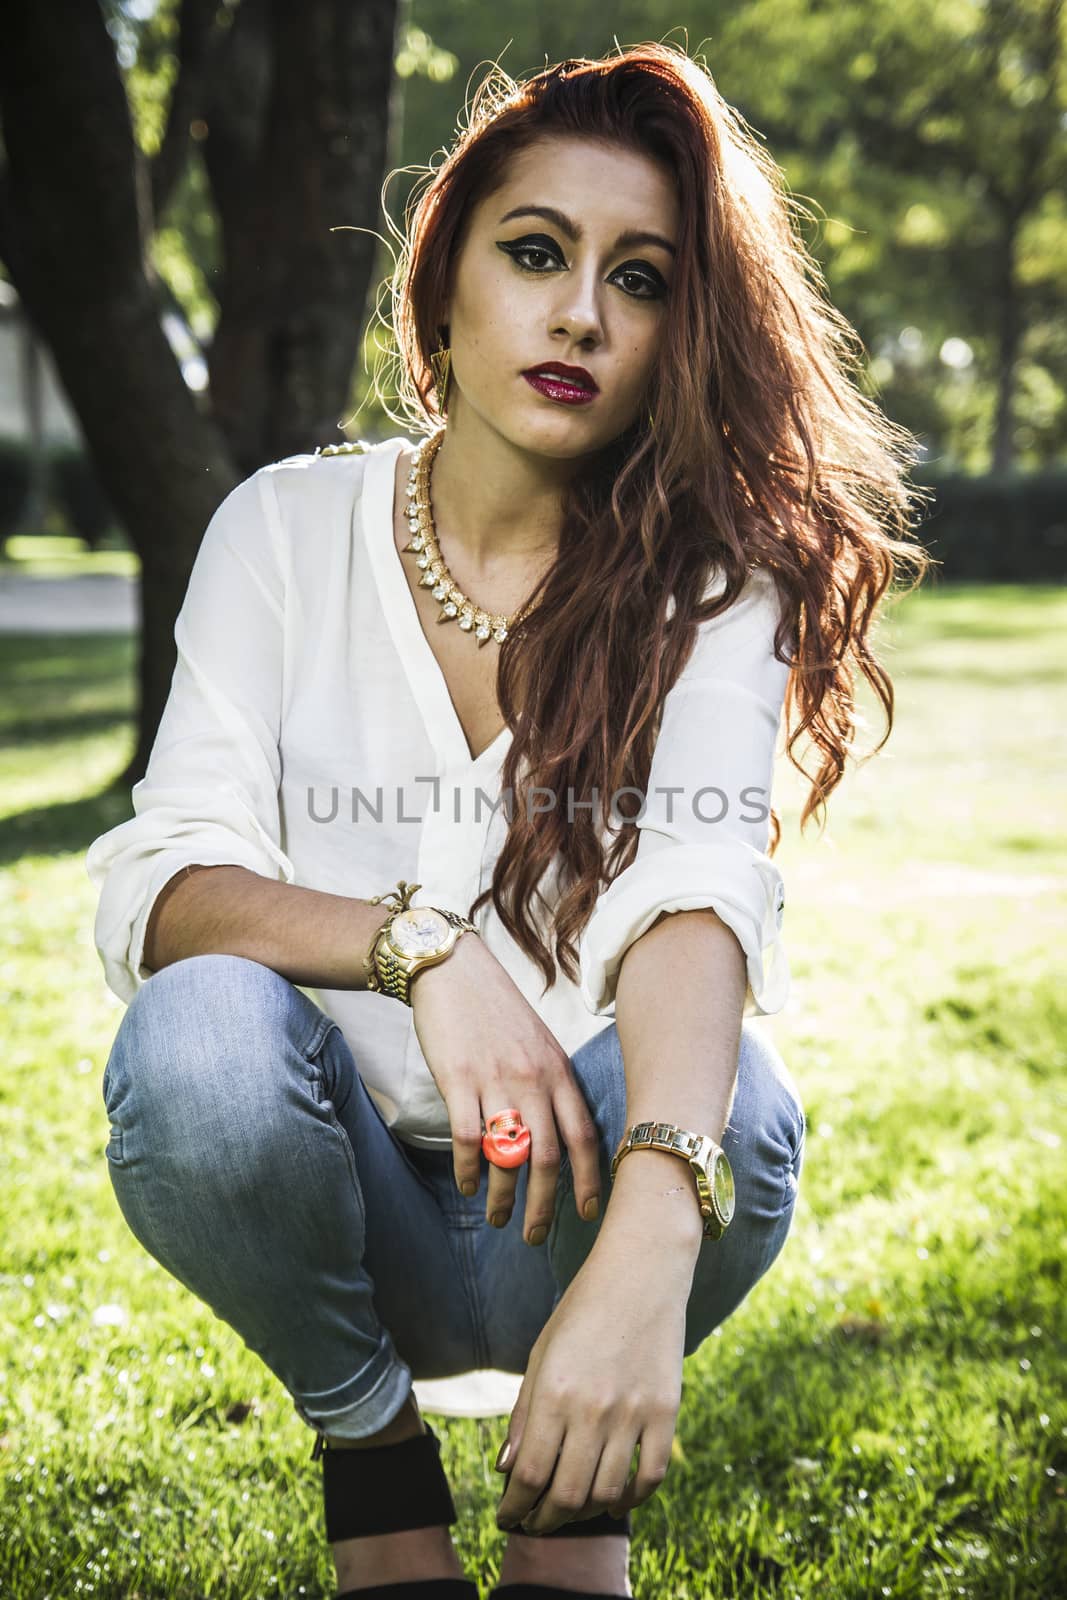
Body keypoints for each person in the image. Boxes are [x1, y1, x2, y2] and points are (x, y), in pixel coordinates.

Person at [86, 41, 930, 1600]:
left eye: (643, 279)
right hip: (329, 1191)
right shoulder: (282, 528)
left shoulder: (709, 581)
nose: (581, 314)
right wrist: (426, 954)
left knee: (730, 1106)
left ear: (683, 331)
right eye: (535, 253)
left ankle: (564, 1500)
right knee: (193, 1039)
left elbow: (697, 887)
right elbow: (168, 885)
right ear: (444, 289)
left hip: (580, 1204)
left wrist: (653, 1244)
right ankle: (372, 1450)